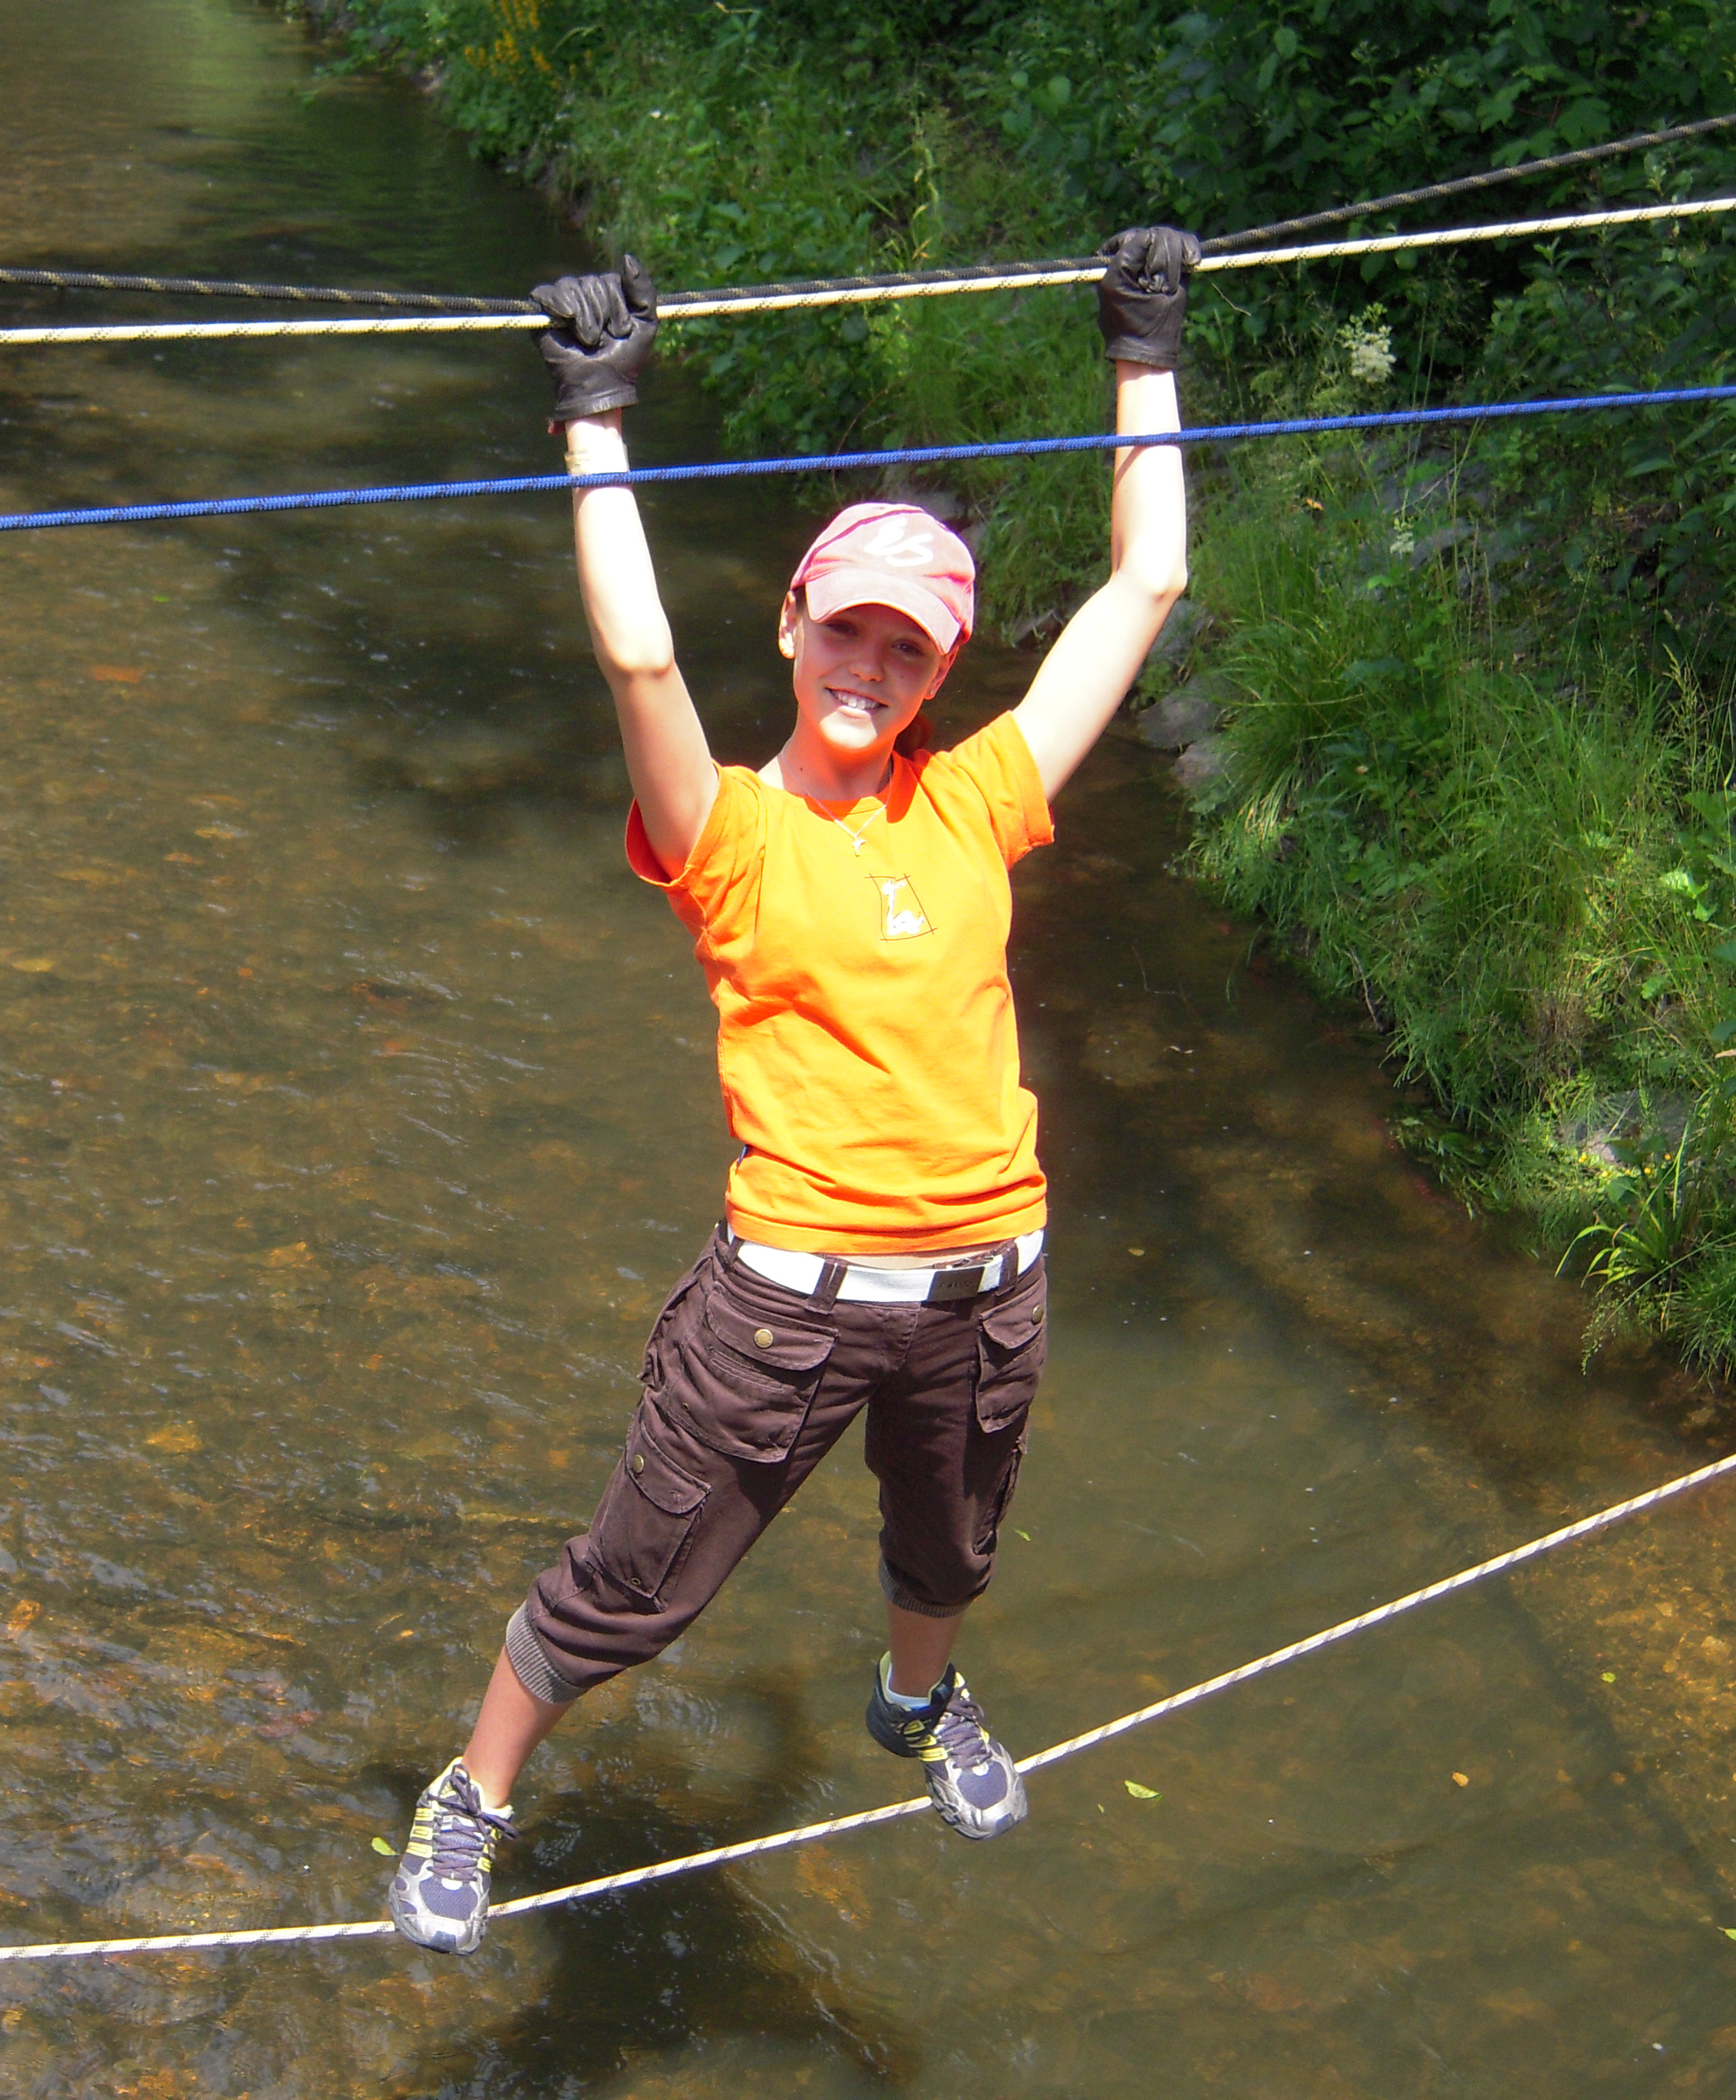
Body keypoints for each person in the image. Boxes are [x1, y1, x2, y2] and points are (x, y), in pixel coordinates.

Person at [386, 230, 1198, 1955]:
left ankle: (916, 1703)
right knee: (633, 1592)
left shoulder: (973, 801)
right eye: (848, 633)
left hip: (987, 1288)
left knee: (952, 1553)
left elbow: (1145, 589)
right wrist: (595, 415)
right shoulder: (731, 838)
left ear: (940, 673)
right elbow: (639, 663)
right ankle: (475, 1794)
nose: (869, 672)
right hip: (786, 1309)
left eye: (907, 651)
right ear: (794, 624)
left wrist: (1144, 356)